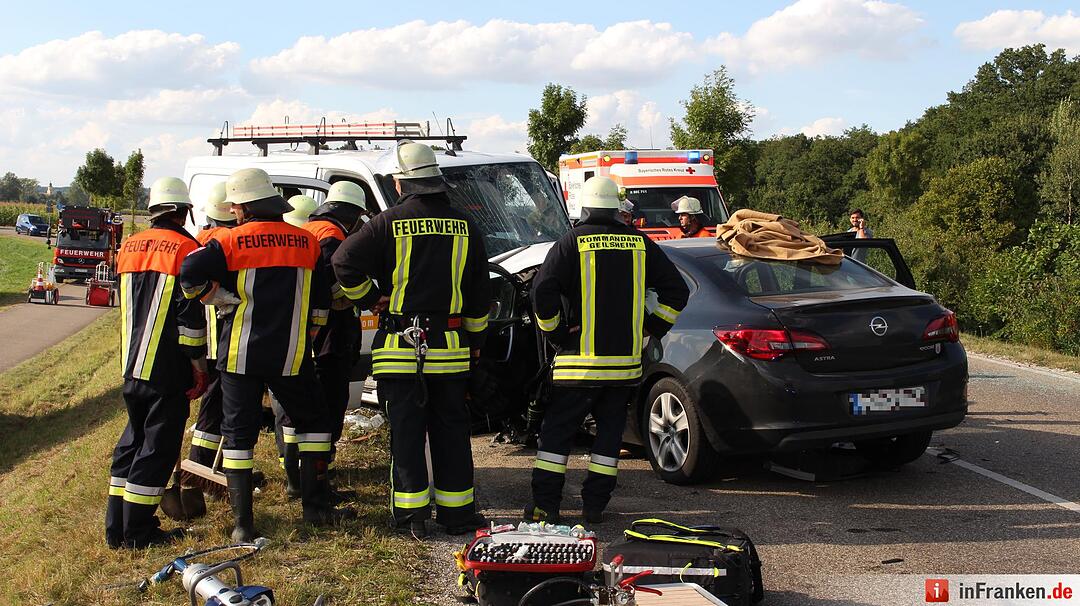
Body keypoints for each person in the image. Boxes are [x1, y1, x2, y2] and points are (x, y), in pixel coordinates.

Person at [180, 168, 353, 541]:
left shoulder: (229, 241)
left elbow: (189, 270)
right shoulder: (306, 242)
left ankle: (243, 525)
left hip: (239, 356)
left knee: (239, 437)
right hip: (291, 356)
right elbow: (322, 299)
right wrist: (311, 331)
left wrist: (215, 296)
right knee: (314, 426)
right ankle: (316, 507)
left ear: (241, 206)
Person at [332, 142, 491, 539]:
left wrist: (369, 298)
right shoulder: (465, 225)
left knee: (406, 434)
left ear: (402, 182)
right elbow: (478, 292)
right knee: (452, 433)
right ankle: (456, 516)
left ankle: (411, 518)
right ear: (435, 180)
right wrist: (475, 341)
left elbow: (343, 262)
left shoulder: (388, 222)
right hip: (451, 349)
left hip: (401, 349)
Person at [526, 176, 689, 524]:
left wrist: (555, 333)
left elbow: (542, 292)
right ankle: (594, 507)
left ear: (583, 207)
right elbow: (677, 291)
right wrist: (650, 328)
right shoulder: (640, 243)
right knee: (608, 442)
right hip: (623, 369)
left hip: (577, 368)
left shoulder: (572, 241)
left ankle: (547, 507)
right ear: (617, 208)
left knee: (556, 439)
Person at [106, 177, 209, 548]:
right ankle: (139, 533)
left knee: (132, 443)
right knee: (157, 449)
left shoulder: (129, 246)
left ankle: (115, 529)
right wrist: (198, 364)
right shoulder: (188, 249)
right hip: (167, 367)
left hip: (131, 362)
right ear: (183, 212)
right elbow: (191, 319)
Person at [186, 182, 236, 474]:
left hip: (204, 332)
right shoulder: (227, 240)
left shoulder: (200, 237)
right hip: (222, 332)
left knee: (217, 400)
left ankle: (208, 463)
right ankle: (202, 464)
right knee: (218, 402)